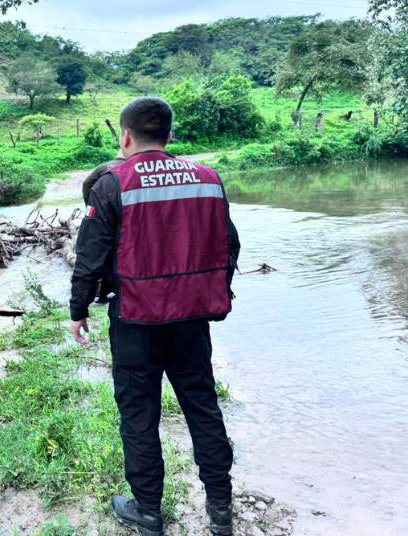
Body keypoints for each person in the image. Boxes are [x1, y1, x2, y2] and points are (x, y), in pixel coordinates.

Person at [69, 98, 241, 536]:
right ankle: (220, 511)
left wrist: (78, 310)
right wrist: (213, 289)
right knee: (202, 407)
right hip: (190, 321)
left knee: (139, 415)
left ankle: (148, 513)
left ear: (124, 137)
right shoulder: (207, 179)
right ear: (169, 135)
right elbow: (230, 245)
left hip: (134, 321)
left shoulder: (112, 183)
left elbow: (89, 258)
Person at [82, 151, 125, 304]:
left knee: (99, 253)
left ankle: (93, 294)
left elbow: (87, 183)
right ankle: (111, 290)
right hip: (122, 217)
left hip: (103, 216)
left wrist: (90, 204)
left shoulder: (102, 167)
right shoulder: (130, 167)